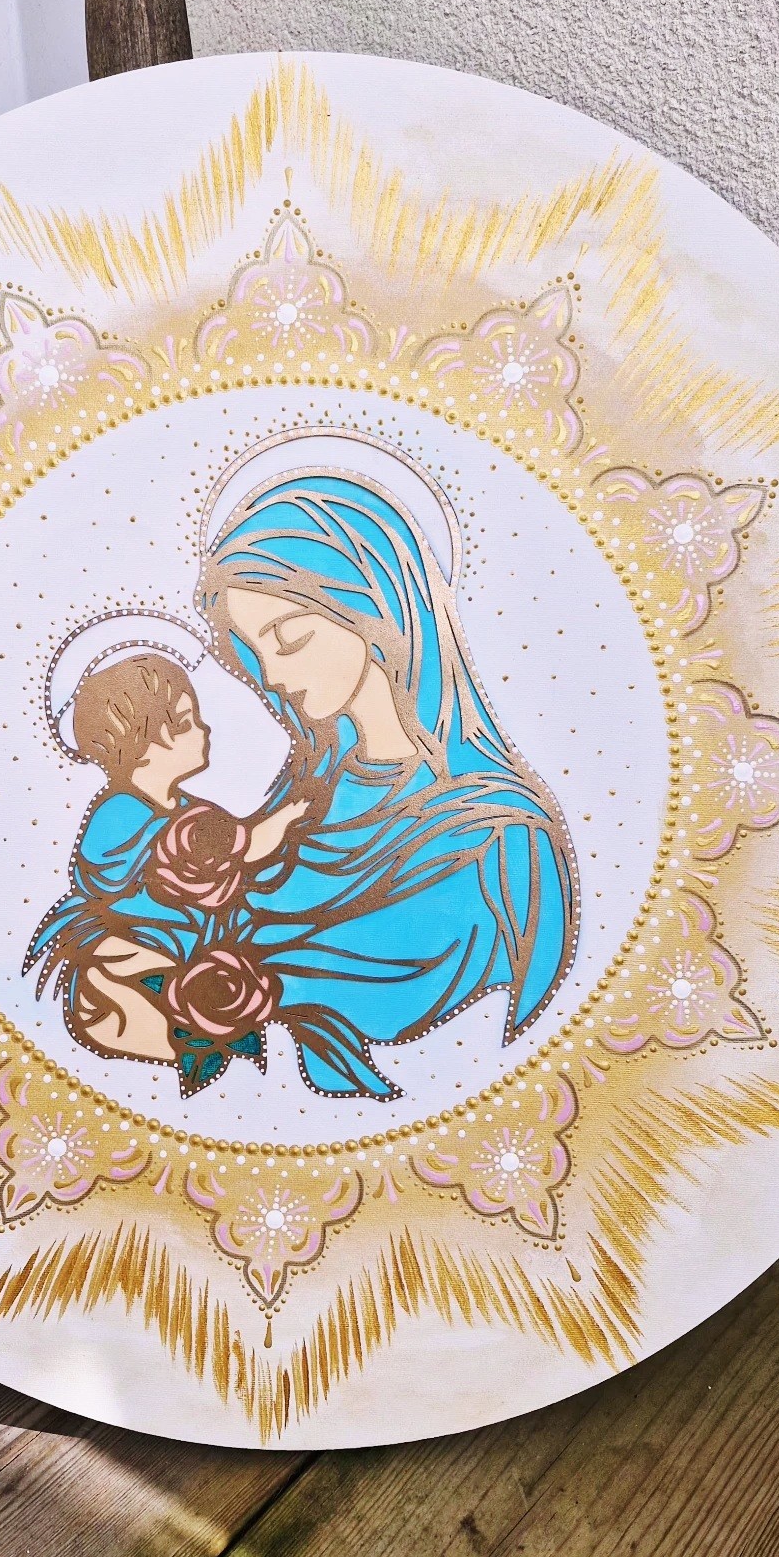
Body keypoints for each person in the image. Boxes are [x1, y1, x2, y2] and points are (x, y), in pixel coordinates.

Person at [197, 469, 579, 1101]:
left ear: (375, 606)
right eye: (252, 652)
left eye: (289, 637)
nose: (273, 674)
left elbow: (529, 1027)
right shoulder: (298, 801)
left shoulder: (503, 834)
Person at [26, 652, 305, 1089]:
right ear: (143, 742)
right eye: (188, 721)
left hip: (184, 950)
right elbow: (238, 846)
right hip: (126, 958)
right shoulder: (121, 811)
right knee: (133, 992)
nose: (205, 730)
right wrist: (290, 814)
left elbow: (231, 857)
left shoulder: (191, 808)